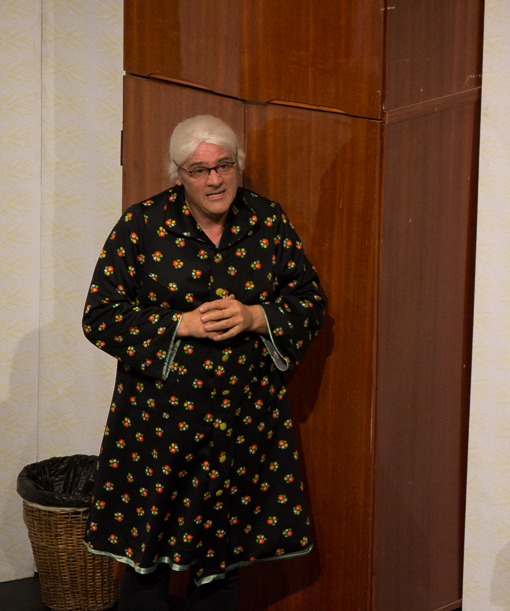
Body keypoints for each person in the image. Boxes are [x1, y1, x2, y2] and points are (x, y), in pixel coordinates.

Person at [81, 115, 326, 610]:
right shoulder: (142, 225)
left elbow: (310, 303)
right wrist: (181, 325)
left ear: (238, 166)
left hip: (242, 423)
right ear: (178, 175)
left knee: (221, 564)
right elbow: (100, 316)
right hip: (159, 425)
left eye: (224, 166)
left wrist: (257, 316)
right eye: (199, 170)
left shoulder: (268, 220)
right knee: (147, 560)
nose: (215, 180)